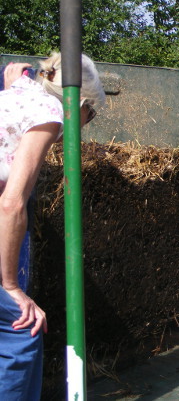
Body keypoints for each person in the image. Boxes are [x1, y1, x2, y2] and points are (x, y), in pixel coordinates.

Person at [0, 53, 105, 400]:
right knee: (21, 331)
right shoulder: (50, 112)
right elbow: (12, 203)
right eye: (90, 115)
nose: (85, 124)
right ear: (79, 103)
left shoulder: (17, 94)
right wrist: (11, 286)